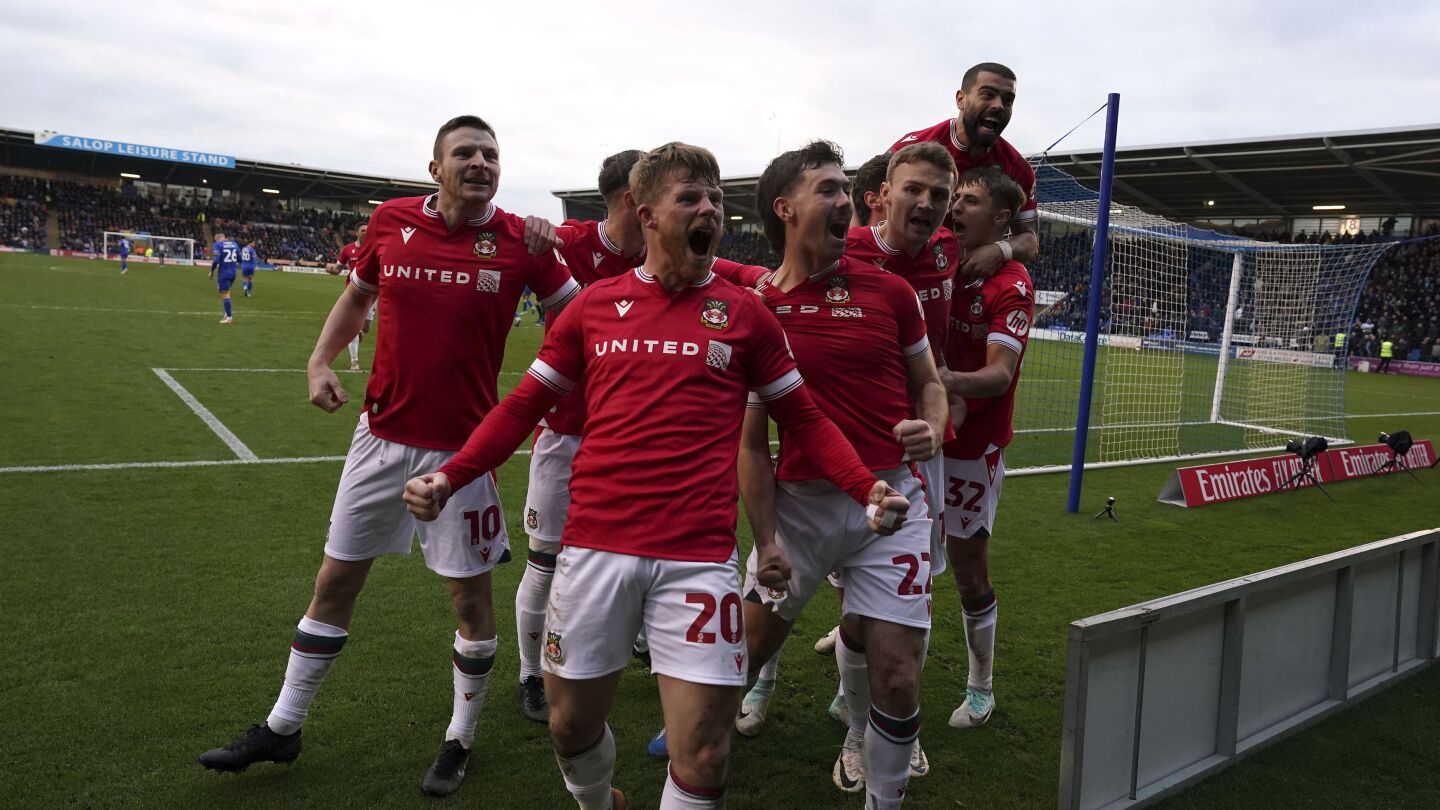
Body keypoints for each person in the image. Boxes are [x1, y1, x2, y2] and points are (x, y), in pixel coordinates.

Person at [401, 142, 910, 810]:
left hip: (698, 561)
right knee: (571, 726)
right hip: (594, 550)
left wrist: (863, 485)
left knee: (702, 748)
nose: (709, 210)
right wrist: (452, 476)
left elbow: (806, 420)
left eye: (717, 199)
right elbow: (524, 406)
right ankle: (597, 801)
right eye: (690, 198)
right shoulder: (591, 309)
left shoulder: (746, 315)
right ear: (646, 215)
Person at [197, 115, 580, 799]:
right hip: (377, 438)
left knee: (468, 600)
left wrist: (548, 390)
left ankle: (459, 739)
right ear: (435, 168)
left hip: (463, 453)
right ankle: (284, 725)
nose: (480, 162)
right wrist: (318, 361)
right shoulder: (391, 223)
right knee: (335, 583)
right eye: (465, 152)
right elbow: (357, 297)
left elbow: (579, 322)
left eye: (491, 154)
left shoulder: (523, 239)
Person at [738, 141, 945, 807]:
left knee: (896, 675)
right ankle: (695, 752)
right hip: (799, 509)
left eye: (843, 187)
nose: (843, 200)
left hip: (893, 502)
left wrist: (932, 427)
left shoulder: (891, 290)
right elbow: (752, 445)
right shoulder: (758, 307)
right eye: (826, 189)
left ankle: (879, 786)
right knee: (736, 659)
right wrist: (767, 538)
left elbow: (930, 384)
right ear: (785, 209)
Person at [514, 149, 646, 724]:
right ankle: (527, 674)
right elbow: (502, 242)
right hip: (566, 432)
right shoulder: (568, 241)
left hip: (634, 438)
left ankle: (637, 638)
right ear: (630, 201)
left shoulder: (661, 254)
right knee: (545, 561)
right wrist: (531, 229)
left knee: (637, 551)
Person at [937, 166, 1036, 730]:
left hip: (972, 448)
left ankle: (981, 686)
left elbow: (999, 376)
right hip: (923, 435)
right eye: (955, 198)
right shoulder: (939, 257)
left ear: (1001, 218)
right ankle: (861, 657)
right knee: (890, 554)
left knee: (968, 565)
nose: (954, 208)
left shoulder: (1011, 282)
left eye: (968, 200)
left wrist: (942, 381)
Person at [892, 62, 1038, 279]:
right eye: (988, 94)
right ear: (961, 99)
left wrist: (1000, 250)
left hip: (967, 281)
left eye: (1008, 100)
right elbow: (866, 210)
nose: (998, 105)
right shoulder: (909, 150)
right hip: (904, 272)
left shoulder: (1017, 169)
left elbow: (1030, 239)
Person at [328, 224, 372, 371]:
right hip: (353, 291)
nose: (366, 232)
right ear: (356, 233)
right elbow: (338, 268)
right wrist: (330, 270)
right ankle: (354, 362)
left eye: (368, 230)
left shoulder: (376, 247)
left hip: (372, 292)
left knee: (366, 328)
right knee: (352, 327)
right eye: (363, 230)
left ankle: (359, 330)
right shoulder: (347, 249)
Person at [210, 232, 241, 323]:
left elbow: (215, 260)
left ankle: (229, 318)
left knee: (225, 293)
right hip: (233, 273)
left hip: (224, 273)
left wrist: (211, 271)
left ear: (217, 239)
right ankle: (227, 313)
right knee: (223, 291)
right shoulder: (234, 244)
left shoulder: (218, 245)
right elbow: (240, 259)